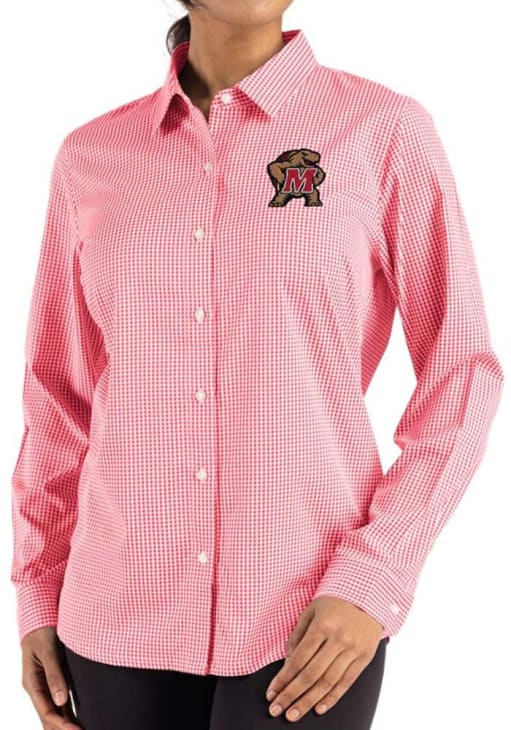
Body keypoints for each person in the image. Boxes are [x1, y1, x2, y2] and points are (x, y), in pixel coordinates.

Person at [10, 1, 504, 729]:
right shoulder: (92, 156)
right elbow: (58, 399)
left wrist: (375, 576)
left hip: (308, 618)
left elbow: (462, 374)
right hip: (114, 613)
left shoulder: (382, 130)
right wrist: (37, 591)